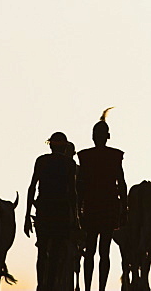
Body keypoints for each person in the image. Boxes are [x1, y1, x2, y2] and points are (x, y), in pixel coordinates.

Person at [77, 110, 127, 291]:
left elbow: (80, 186)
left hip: (91, 206)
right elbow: (121, 183)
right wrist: (125, 208)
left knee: (89, 251)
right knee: (104, 251)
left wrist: (78, 210)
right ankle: (101, 288)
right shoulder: (115, 156)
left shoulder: (84, 156)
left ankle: (89, 287)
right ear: (108, 136)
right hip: (108, 206)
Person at [26, 131, 79, 291]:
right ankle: (48, 285)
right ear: (65, 148)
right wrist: (75, 218)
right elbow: (72, 193)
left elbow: (32, 187)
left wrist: (27, 215)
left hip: (44, 210)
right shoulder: (69, 165)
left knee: (42, 252)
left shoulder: (41, 161)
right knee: (55, 252)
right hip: (60, 212)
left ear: (50, 146)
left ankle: (41, 285)